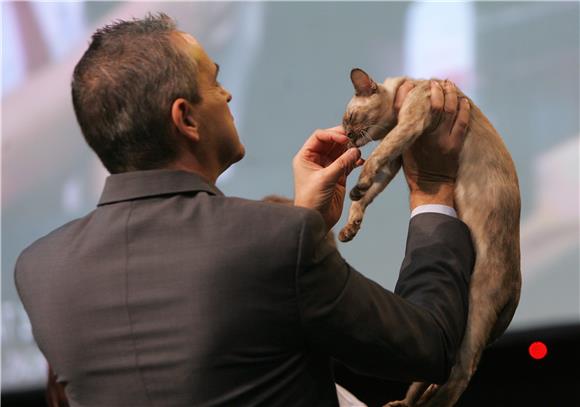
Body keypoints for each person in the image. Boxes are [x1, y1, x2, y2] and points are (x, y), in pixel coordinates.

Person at [15, 13, 473, 407]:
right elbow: (428, 345)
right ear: (185, 119)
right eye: (213, 82)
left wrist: (303, 221)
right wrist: (432, 191)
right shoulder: (276, 242)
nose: (229, 95)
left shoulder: (39, 270)